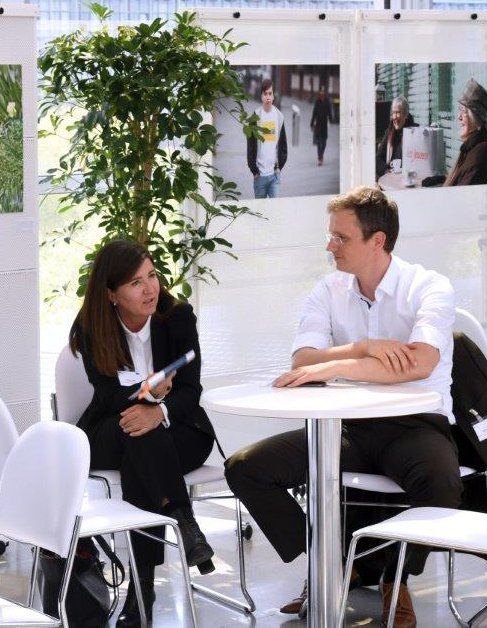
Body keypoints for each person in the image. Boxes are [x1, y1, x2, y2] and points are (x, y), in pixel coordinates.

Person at [225, 186, 462, 627]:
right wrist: (364, 347)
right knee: (246, 468)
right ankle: (331, 564)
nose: (329, 246)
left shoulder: (428, 286)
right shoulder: (329, 289)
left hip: (415, 425)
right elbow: (302, 361)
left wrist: (334, 366)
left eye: (341, 237)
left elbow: (420, 363)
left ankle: (395, 578)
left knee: (442, 482)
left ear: (378, 240)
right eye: (330, 235)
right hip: (347, 426)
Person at [69, 239, 221, 627]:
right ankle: (183, 521)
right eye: (136, 283)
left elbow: (191, 391)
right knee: (136, 432)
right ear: (111, 294)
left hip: (180, 428)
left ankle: (142, 596)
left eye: (152, 276)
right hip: (112, 427)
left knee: (142, 451)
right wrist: (146, 394)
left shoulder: (178, 317)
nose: (150, 288)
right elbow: (107, 395)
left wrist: (160, 411)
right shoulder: (91, 327)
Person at [247, 79, 287, 199]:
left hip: (274, 176)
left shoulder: (279, 117)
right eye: (265, 94)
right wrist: (254, 171)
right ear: (261, 96)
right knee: (260, 210)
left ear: (273, 96)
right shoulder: (255, 117)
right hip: (259, 176)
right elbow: (250, 146)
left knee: (276, 209)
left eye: (270, 93)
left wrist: (279, 167)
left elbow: (283, 145)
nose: (268, 97)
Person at [443, 78, 487, 186]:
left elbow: (463, 193)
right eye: (459, 110)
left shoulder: (480, 153)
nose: (459, 117)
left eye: (464, 111)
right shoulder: (470, 148)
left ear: (475, 117)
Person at [376, 96, 417, 179]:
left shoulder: (414, 132)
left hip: (408, 178)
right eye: (393, 113)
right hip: (390, 177)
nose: (394, 117)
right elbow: (378, 158)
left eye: (398, 113)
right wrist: (386, 171)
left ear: (406, 114)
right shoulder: (389, 132)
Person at [310, 86, 333, 166]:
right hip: (318, 125)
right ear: (319, 94)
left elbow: (329, 112)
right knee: (319, 143)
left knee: (324, 143)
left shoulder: (327, 102)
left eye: (323, 93)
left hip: (324, 125)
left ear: (324, 94)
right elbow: (314, 113)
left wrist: (331, 120)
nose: (322, 95)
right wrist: (312, 123)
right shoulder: (317, 102)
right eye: (321, 93)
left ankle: (321, 154)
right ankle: (320, 158)